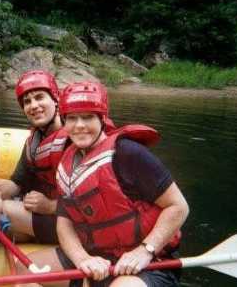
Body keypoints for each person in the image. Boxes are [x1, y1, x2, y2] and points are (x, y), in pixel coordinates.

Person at [18, 81, 189, 287]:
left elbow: (178, 206)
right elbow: (65, 223)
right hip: (96, 259)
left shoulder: (128, 153)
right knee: (25, 269)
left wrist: (144, 251)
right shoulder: (67, 162)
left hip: (149, 262)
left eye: (88, 117)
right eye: (71, 118)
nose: (79, 125)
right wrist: (82, 259)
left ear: (102, 118)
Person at [0, 70, 68, 244]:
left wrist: (51, 206)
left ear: (56, 99)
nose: (33, 105)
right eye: (27, 102)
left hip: (73, 224)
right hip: (47, 215)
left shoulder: (76, 136)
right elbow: (17, 182)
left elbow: (94, 199)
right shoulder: (34, 142)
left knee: (3, 210)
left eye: (39, 97)